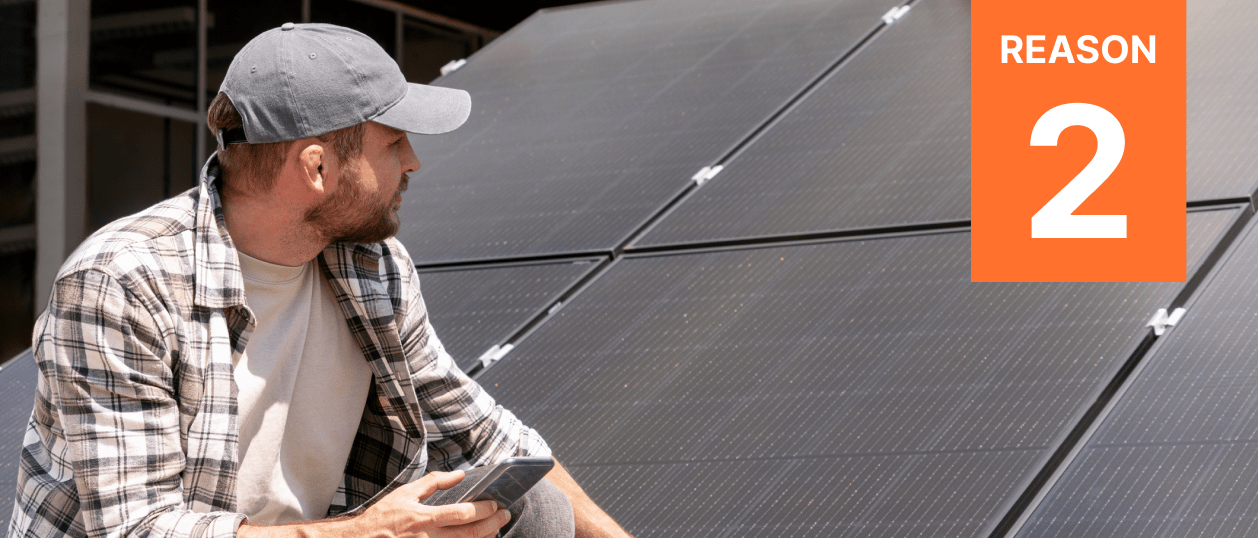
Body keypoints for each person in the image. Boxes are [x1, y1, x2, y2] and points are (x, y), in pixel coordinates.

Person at [9, 23, 631, 538]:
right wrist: (368, 532)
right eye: (393, 142)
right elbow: (137, 530)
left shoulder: (372, 266)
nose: (413, 160)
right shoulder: (123, 283)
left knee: (532, 511)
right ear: (316, 167)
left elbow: (486, 439)